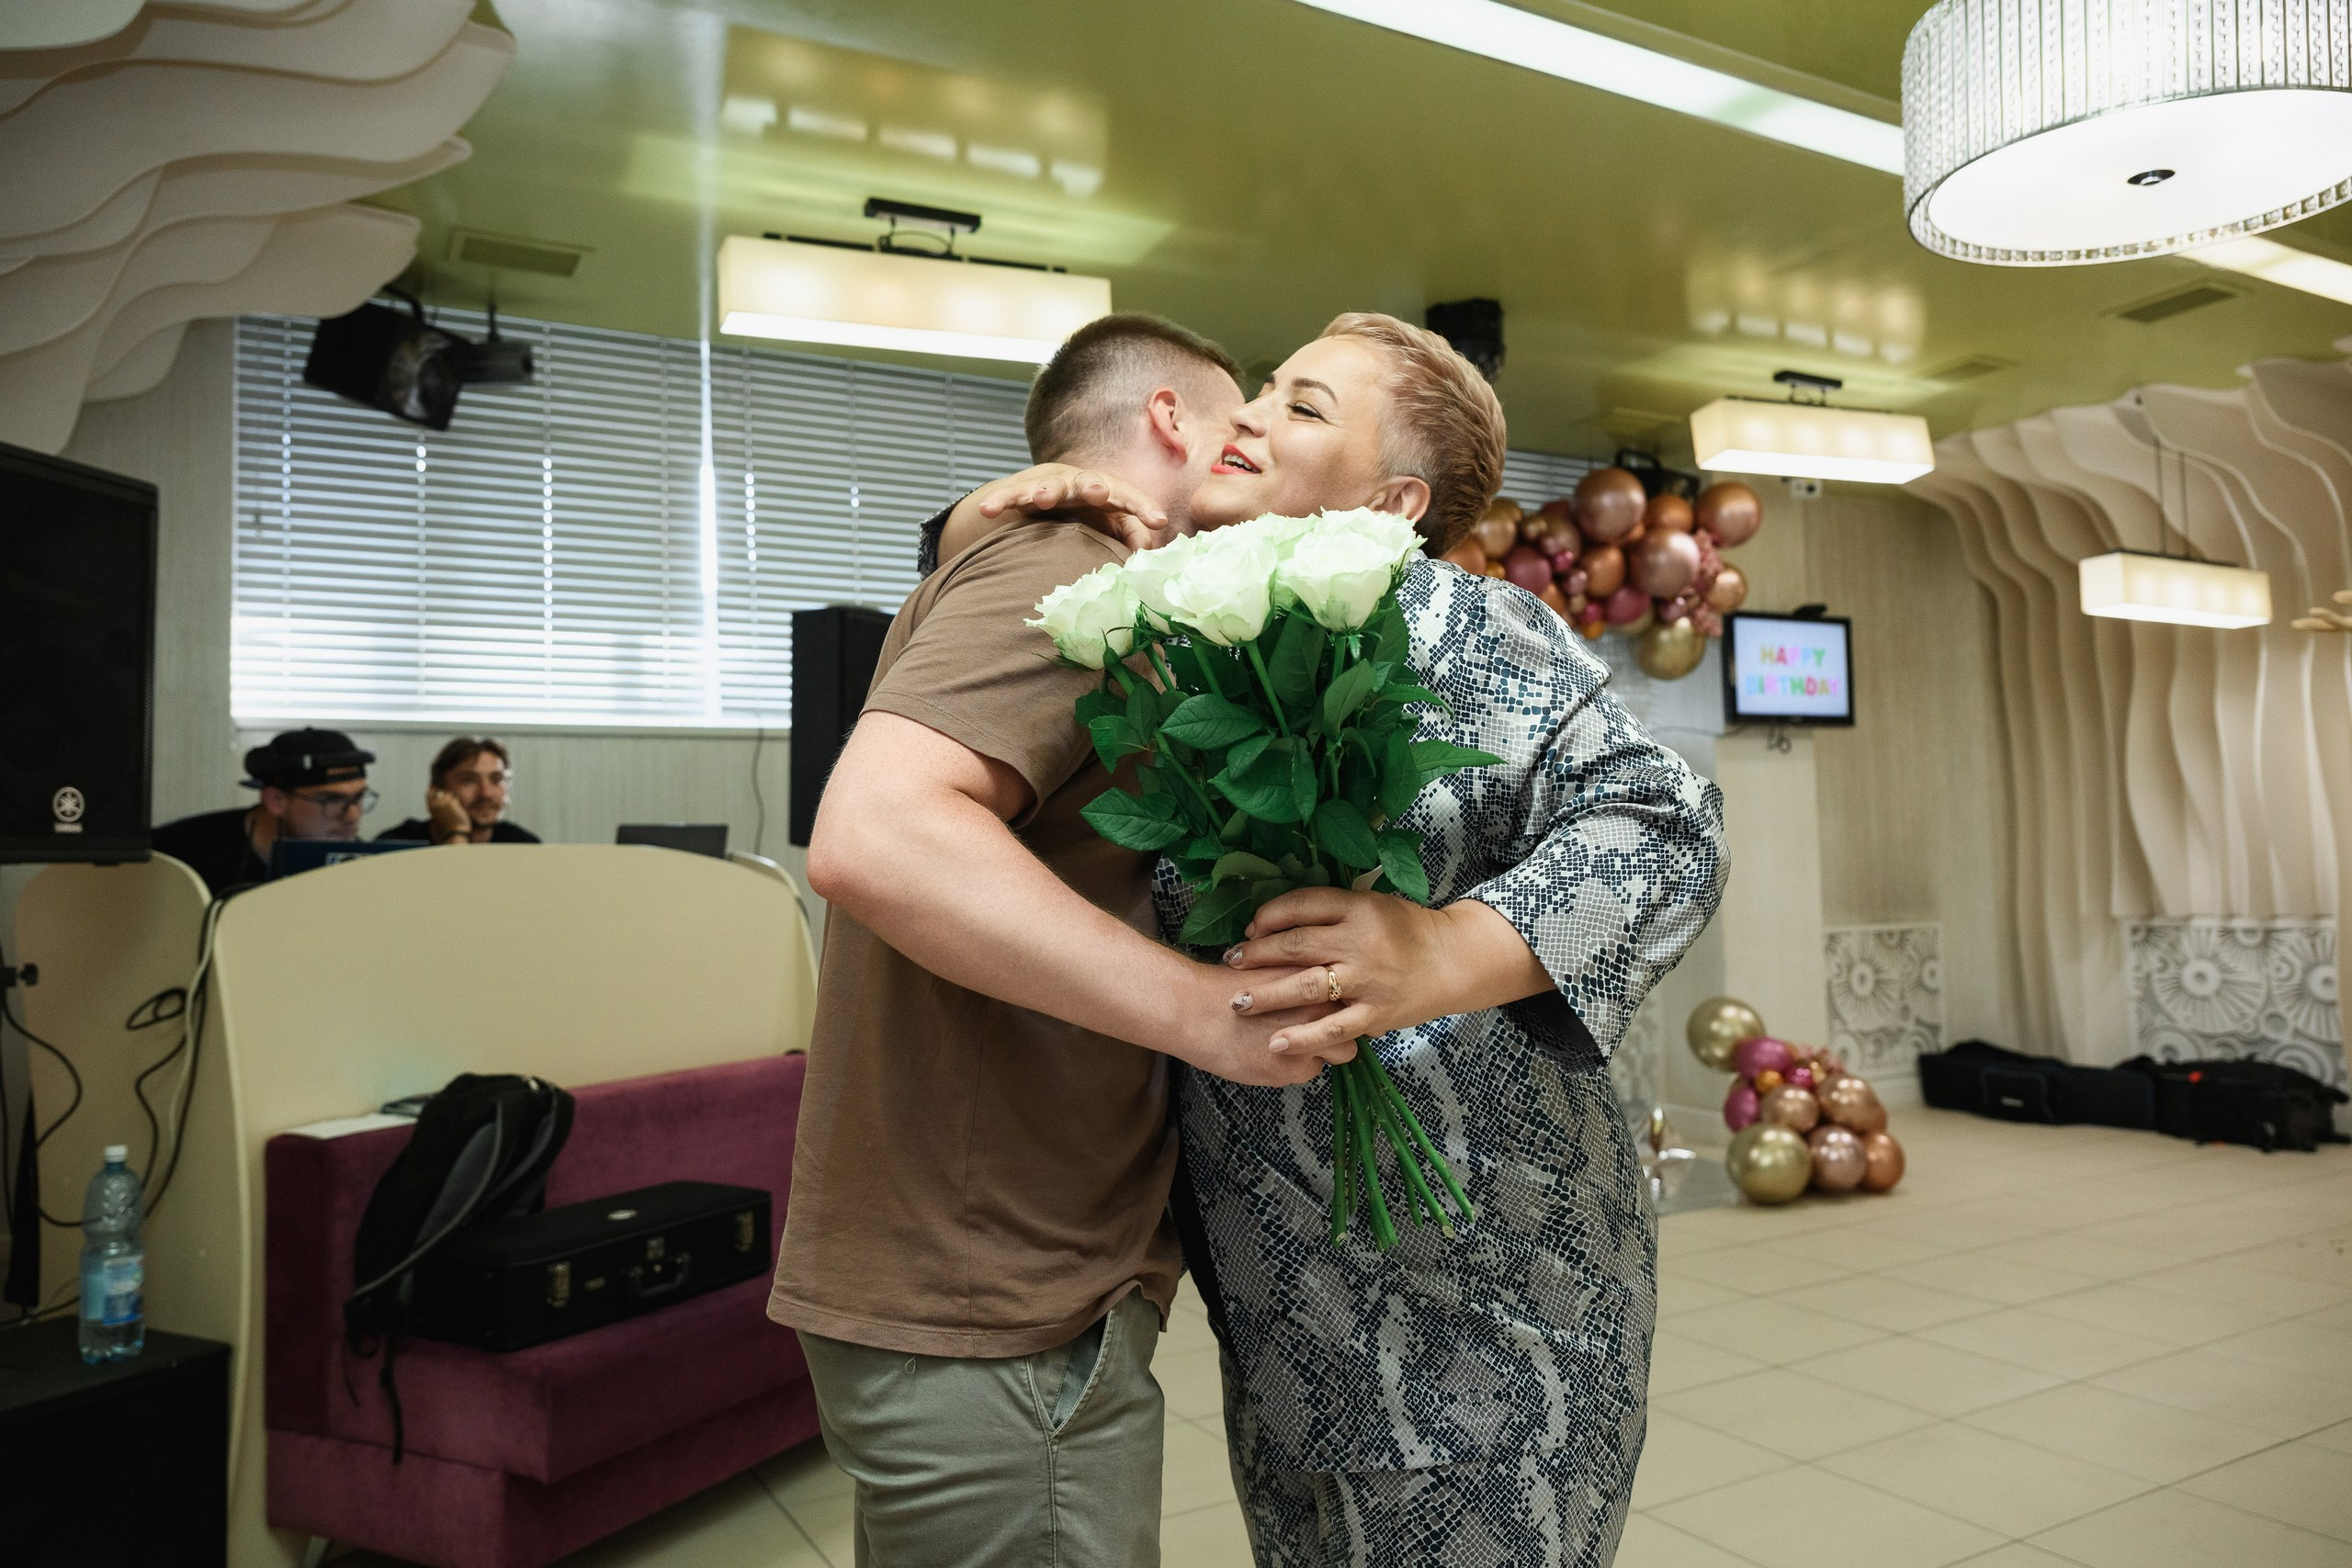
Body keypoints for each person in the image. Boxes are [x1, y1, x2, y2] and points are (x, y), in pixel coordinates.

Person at [923, 312, 1726, 1566]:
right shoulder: (1173, 634)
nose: (1245, 415)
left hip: (1493, 1298)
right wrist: (983, 531)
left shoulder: (1473, 628)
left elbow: (1671, 828)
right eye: (1259, 389)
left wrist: (1446, 950)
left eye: (1302, 406)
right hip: (1286, 1307)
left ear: (1393, 499)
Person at [767, 313, 1348, 1568]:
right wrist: (1208, 1013)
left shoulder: (1067, 576)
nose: (1256, 443)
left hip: (997, 1269)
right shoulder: (1062, 561)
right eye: (1247, 413)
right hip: (992, 1285)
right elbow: (877, 835)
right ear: (1169, 419)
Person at [151, 728, 379, 897]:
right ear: (275, 800)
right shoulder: (182, 853)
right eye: (331, 800)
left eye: (358, 798)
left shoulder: (355, 863)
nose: (352, 816)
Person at [376, 737, 541, 846]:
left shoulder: (523, 846)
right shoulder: (396, 844)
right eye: (469, 780)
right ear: (436, 790)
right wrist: (458, 832)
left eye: (497, 779)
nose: (485, 793)